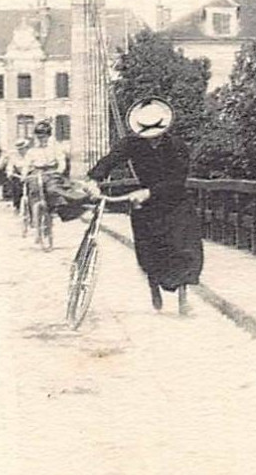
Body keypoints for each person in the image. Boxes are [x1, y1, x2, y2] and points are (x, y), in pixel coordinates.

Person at [85, 97, 204, 315]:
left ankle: (183, 298)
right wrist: (94, 179)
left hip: (174, 202)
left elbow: (178, 180)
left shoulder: (177, 147)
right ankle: (154, 285)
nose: (153, 139)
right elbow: (111, 159)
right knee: (149, 249)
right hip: (146, 206)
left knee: (181, 249)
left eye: (156, 134)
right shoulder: (132, 143)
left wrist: (149, 192)